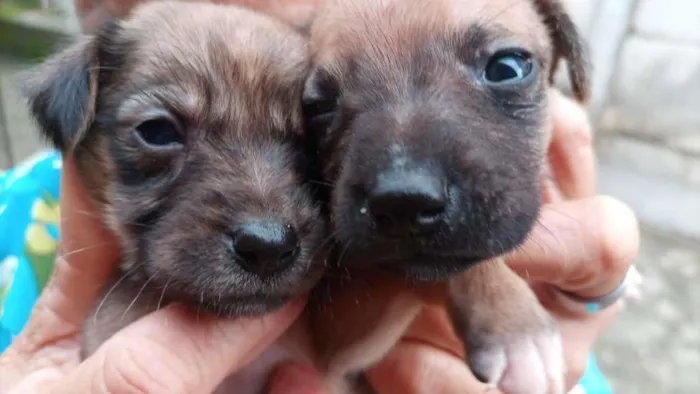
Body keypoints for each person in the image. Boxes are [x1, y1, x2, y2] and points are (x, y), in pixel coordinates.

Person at [0, 1, 640, 392]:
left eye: (306, 131)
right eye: (160, 135)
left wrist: (510, 292)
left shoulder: (348, 263)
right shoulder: (18, 236)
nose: (264, 214)